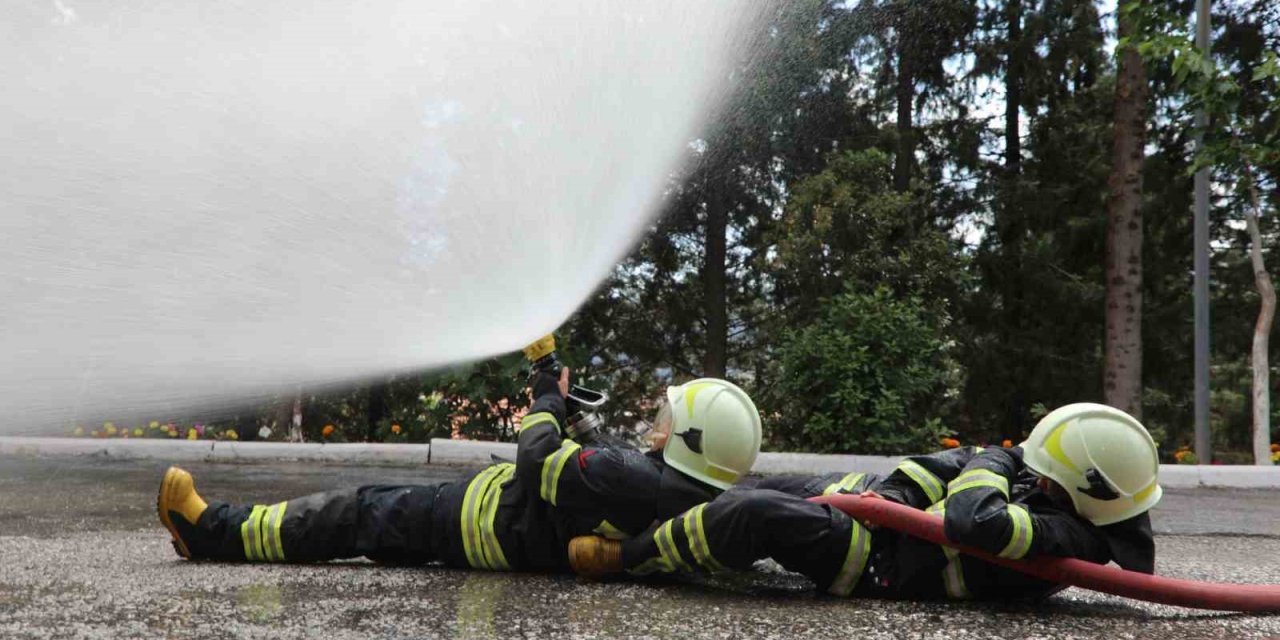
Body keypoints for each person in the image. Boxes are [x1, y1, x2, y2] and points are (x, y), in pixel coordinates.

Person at [156, 369, 763, 572]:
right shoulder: (681, 495)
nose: (656, 424)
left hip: (473, 521)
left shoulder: (632, 479)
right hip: (487, 527)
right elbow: (600, 469)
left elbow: (536, 463)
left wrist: (546, 399)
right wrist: (576, 416)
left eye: (667, 418)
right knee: (363, 511)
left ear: (689, 439)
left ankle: (214, 531)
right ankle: (218, 531)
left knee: (354, 514)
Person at [568, 403, 1160, 602]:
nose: (1032, 470)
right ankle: (651, 509)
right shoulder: (1066, 500)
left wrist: (995, 460)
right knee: (747, 491)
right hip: (879, 517)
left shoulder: (1072, 539)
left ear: (1085, 488)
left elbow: (972, 517)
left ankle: (630, 557)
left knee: (752, 515)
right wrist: (889, 496)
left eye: (1045, 473)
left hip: (880, 567)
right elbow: (939, 469)